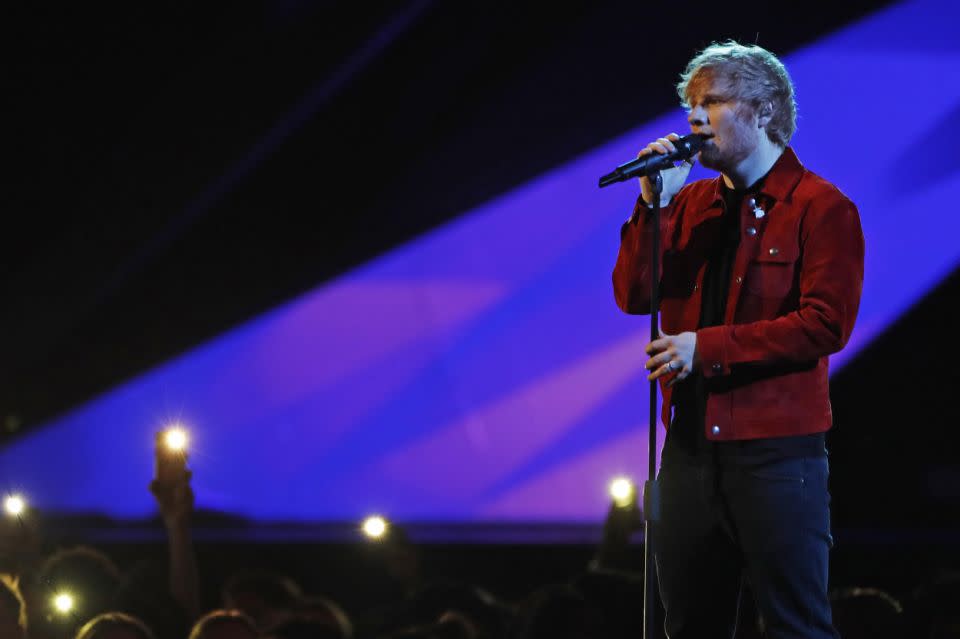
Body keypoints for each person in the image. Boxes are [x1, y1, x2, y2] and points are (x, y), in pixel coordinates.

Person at [612, 41, 864, 638]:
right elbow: (633, 296)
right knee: (690, 624)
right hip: (689, 454)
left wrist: (706, 348)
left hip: (777, 457)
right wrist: (653, 206)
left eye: (714, 101)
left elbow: (825, 323)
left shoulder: (821, 208)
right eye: (691, 105)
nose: (695, 119)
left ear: (766, 111)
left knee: (793, 624)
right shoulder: (689, 203)